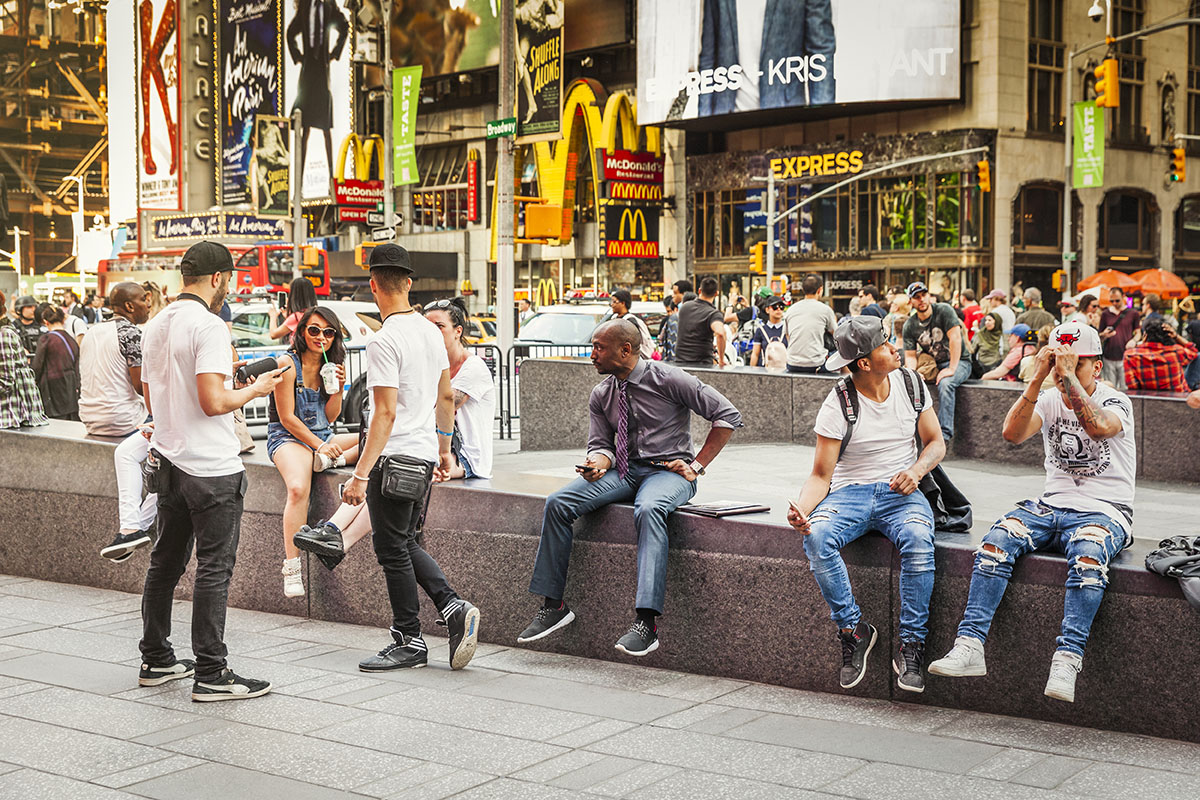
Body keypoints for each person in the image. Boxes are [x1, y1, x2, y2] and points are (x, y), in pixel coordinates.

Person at [929, 322, 1135, 704]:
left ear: (1097, 368)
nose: (1064, 371)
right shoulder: (1049, 394)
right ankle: (970, 644)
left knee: (1089, 556)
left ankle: (1068, 658)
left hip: (1106, 510)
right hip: (1051, 505)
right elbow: (1012, 434)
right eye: (1058, 362)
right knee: (996, 541)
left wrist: (1069, 376)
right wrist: (1038, 377)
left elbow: (1098, 427)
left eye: (1076, 363)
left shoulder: (1115, 400)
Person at [517, 319, 742, 655]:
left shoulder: (669, 378)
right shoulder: (602, 393)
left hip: (668, 473)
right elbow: (601, 445)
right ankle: (554, 606)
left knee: (650, 508)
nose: (591, 354)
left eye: (598, 347)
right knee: (558, 502)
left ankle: (646, 623)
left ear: (625, 350)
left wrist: (696, 466)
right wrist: (597, 465)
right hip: (622, 471)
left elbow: (728, 415)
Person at [139, 241, 289, 701]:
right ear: (219, 278)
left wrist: (231, 378)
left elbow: (153, 398)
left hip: (169, 461)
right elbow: (213, 402)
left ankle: (157, 658)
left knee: (164, 563)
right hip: (210, 467)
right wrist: (258, 388)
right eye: (231, 279)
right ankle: (211, 672)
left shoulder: (156, 324)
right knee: (214, 569)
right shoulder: (209, 325)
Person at [340, 244, 480, 672]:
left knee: (392, 548)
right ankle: (448, 613)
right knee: (403, 542)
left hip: (392, 458)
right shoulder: (428, 332)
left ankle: (413, 637)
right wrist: (442, 449)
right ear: (409, 284)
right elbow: (444, 396)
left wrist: (360, 474)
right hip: (421, 458)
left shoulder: (384, 340)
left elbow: (384, 412)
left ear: (373, 285)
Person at [788, 315, 946, 692]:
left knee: (919, 543)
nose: (895, 348)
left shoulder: (911, 384)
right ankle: (853, 630)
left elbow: (936, 443)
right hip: (850, 494)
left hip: (902, 493)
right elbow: (821, 475)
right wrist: (803, 511)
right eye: (885, 345)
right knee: (817, 536)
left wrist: (917, 470)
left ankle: (911, 646)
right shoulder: (838, 403)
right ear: (864, 362)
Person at [267, 306, 359, 598]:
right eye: (314, 330)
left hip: (321, 437)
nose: (322, 337)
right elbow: (287, 418)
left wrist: (339, 388)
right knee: (297, 488)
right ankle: (292, 567)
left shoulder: (330, 365)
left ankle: (332, 460)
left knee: (375, 440)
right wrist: (320, 446)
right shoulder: (287, 362)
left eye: (329, 332)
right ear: (301, 331)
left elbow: (330, 418)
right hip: (288, 437)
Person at [79, 282, 158, 563]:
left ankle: (132, 530)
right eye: (144, 300)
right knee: (168, 459)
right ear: (128, 306)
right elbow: (141, 386)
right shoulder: (130, 333)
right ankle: (139, 526)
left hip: (90, 419)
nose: (148, 304)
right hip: (122, 419)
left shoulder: (91, 332)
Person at [425, 297, 495, 480]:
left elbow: (443, 408)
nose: (431, 333)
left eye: (439, 326)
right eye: (427, 327)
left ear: (458, 331)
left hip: (465, 454)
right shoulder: (429, 364)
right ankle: (341, 457)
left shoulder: (473, 368)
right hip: (432, 444)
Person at [903, 282, 970, 441]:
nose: (922, 300)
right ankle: (911, 434)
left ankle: (943, 436)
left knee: (946, 383)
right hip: (934, 366)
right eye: (916, 297)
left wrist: (952, 368)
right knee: (910, 383)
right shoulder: (910, 325)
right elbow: (911, 356)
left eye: (924, 295)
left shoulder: (944, 310)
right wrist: (914, 373)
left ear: (929, 296)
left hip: (960, 361)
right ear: (910, 302)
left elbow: (955, 338)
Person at [0, 292, 48, 430]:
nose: (33, 310)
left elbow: (6, 380)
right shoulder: (8, 330)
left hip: (12, 412)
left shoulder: (4, 334)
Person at [31, 305, 80, 420]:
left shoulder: (46, 339)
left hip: (52, 389)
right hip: (70, 388)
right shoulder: (71, 340)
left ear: (46, 322)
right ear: (63, 320)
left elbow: (37, 366)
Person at [1123, 318, 1198, 393]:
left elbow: (1132, 386)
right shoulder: (1176, 351)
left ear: (1145, 335)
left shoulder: (1130, 355)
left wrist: (1142, 343)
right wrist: (1176, 337)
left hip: (1148, 398)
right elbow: (1194, 352)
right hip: (1179, 397)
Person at [782, 274, 837, 374]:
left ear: (803, 290)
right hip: (816, 364)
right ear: (820, 290)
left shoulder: (791, 310)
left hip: (792, 363)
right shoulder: (825, 310)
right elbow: (837, 335)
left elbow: (787, 335)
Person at [673, 277, 727, 367]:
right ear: (716, 293)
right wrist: (721, 359)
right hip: (702, 364)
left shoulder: (684, 307)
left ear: (699, 291)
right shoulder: (713, 313)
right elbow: (720, 333)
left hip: (680, 362)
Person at [1099, 288, 1140, 390]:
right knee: (1110, 389)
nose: (1114, 303)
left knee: (1125, 388)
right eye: (1111, 301)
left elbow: (1138, 332)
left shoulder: (1133, 313)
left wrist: (1134, 340)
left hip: (1125, 356)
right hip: (1109, 356)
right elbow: (1100, 335)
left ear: (1123, 297)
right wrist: (1104, 334)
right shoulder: (1105, 314)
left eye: (1117, 300)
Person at [267, 277, 319, 342]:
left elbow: (273, 335)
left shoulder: (296, 317)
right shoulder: (316, 313)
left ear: (293, 295)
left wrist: (273, 316)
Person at [610, 289, 655, 360]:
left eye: (614, 302)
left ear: (623, 303)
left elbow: (633, 342)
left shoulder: (630, 320)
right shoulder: (614, 318)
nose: (612, 305)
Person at [749, 296, 787, 367]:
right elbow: (755, 354)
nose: (778, 309)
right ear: (767, 310)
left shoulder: (787, 329)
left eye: (781, 307)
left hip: (784, 370)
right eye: (775, 307)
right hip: (765, 369)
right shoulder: (760, 330)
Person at [659, 297, 679, 363]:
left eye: (671, 311)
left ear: (676, 309)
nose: (669, 314)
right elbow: (660, 339)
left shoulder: (682, 321)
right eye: (667, 311)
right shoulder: (665, 322)